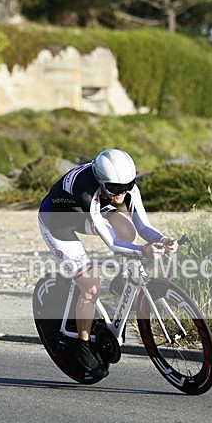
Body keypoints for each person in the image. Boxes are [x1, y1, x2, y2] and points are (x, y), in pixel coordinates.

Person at [38, 148, 178, 378]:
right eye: (114, 189)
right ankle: (82, 345)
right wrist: (143, 249)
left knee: (127, 228)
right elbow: (112, 242)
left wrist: (162, 239)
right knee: (91, 286)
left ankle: (122, 278)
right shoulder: (85, 190)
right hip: (56, 222)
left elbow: (142, 226)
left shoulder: (122, 185)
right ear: (102, 181)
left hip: (85, 213)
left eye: (128, 186)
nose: (122, 193)